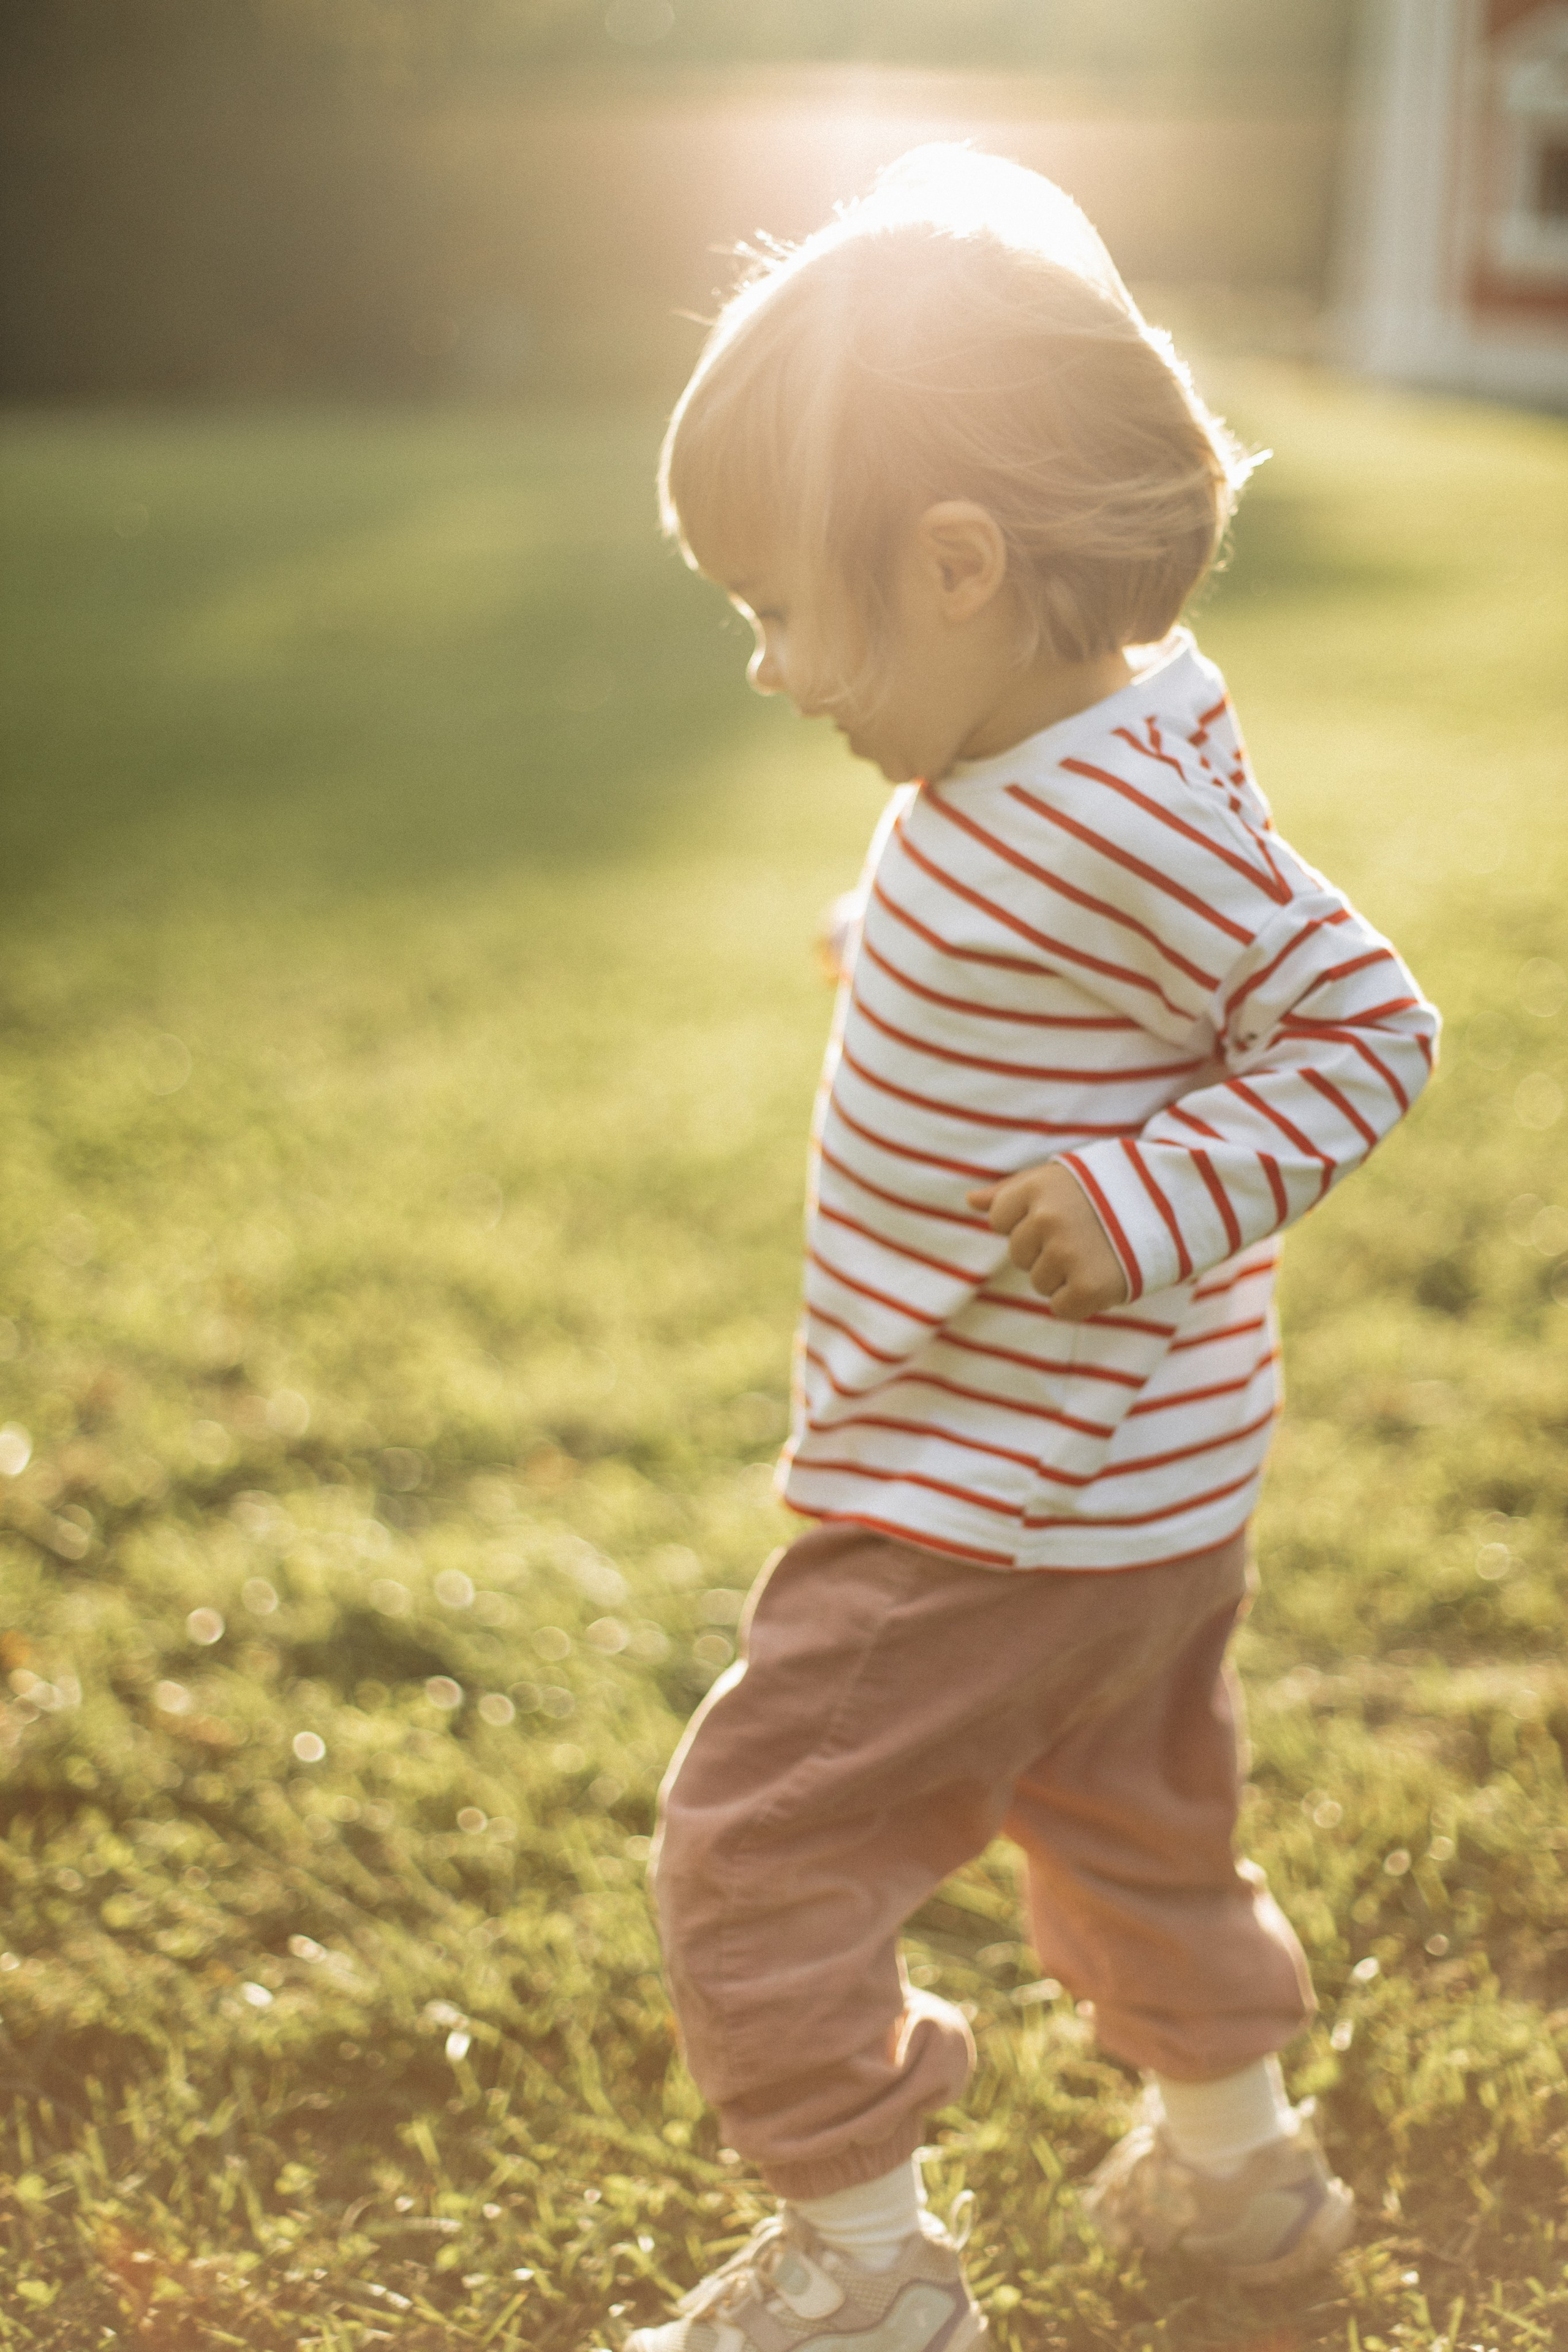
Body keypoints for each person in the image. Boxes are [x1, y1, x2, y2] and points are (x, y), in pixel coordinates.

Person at [624, 148, 1438, 2352]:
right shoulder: (1088, 730)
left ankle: (866, 2270)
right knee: (1129, 1825)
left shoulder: (1120, 809)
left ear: (961, 565)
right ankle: (1238, 2167)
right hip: (1149, 1495)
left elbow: (1366, 1025)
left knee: (758, 1850)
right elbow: (1048, 900)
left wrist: (1144, 1198)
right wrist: (896, 941)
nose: (769, 668)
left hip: (983, 1497)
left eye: (780, 607)